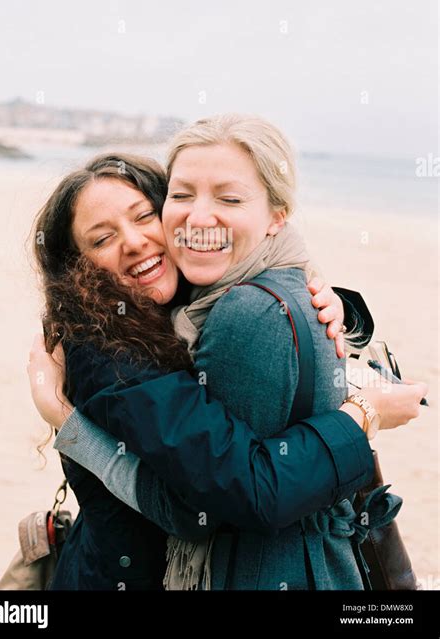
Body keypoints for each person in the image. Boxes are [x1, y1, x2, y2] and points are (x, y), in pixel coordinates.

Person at [29, 121, 427, 590]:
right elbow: (222, 499)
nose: (134, 242)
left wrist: (342, 310)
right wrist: (365, 414)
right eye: (101, 239)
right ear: (78, 268)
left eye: (142, 216)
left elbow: (266, 294)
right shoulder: (107, 350)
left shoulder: (181, 303)